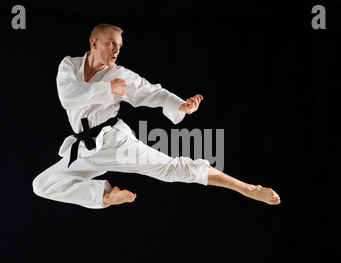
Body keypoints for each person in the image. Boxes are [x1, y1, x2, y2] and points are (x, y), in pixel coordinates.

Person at [32, 23, 280, 208]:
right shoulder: (69, 66)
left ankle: (247, 188)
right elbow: (68, 96)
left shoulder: (120, 74)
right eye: (111, 43)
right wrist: (107, 88)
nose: (116, 50)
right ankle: (105, 196)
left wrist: (181, 105)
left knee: (171, 169)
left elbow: (151, 92)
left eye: (119, 46)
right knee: (42, 184)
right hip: (84, 149)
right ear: (94, 43)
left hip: (114, 141)